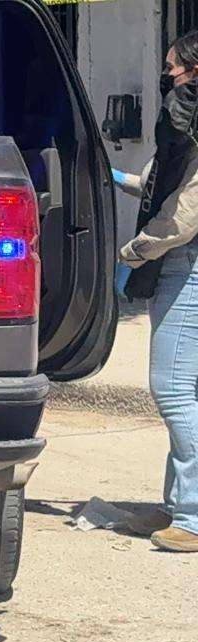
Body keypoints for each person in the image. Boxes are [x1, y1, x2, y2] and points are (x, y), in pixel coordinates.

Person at [115, 30, 198, 553]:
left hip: (186, 267)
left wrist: (132, 253)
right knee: (186, 391)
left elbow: (183, 217)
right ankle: (175, 506)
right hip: (180, 264)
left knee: (171, 389)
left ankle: (192, 518)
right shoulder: (184, 134)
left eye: (173, 69)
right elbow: (156, 186)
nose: (167, 77)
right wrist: (109, 175)